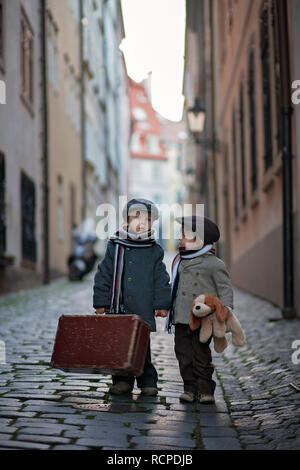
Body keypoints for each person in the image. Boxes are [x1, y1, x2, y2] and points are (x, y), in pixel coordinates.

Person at [93, 198, 171, 396]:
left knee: (142, 347)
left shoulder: (154, 250)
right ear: (126, 221)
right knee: (120, 345)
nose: (141, 222)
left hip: (142, 306)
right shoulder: (114, 246)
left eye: (147, 219)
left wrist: (162, 304)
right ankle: (122, 380)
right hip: (118, 307)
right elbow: (104, 273)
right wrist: (102, 302)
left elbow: (161, 279)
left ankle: (147, 381)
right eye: (136, 217)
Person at [165, 215, 234, 404]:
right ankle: (189, 388)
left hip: (203, 319)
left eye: (184, 235)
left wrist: (225, 310)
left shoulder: (214, 264)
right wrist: (165, 306)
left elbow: (225, 288)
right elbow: (175, 288)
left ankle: (205, 389)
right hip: (180, 318)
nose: (180, 238)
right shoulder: (180, 261)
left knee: (201, 354)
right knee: (183, 355)